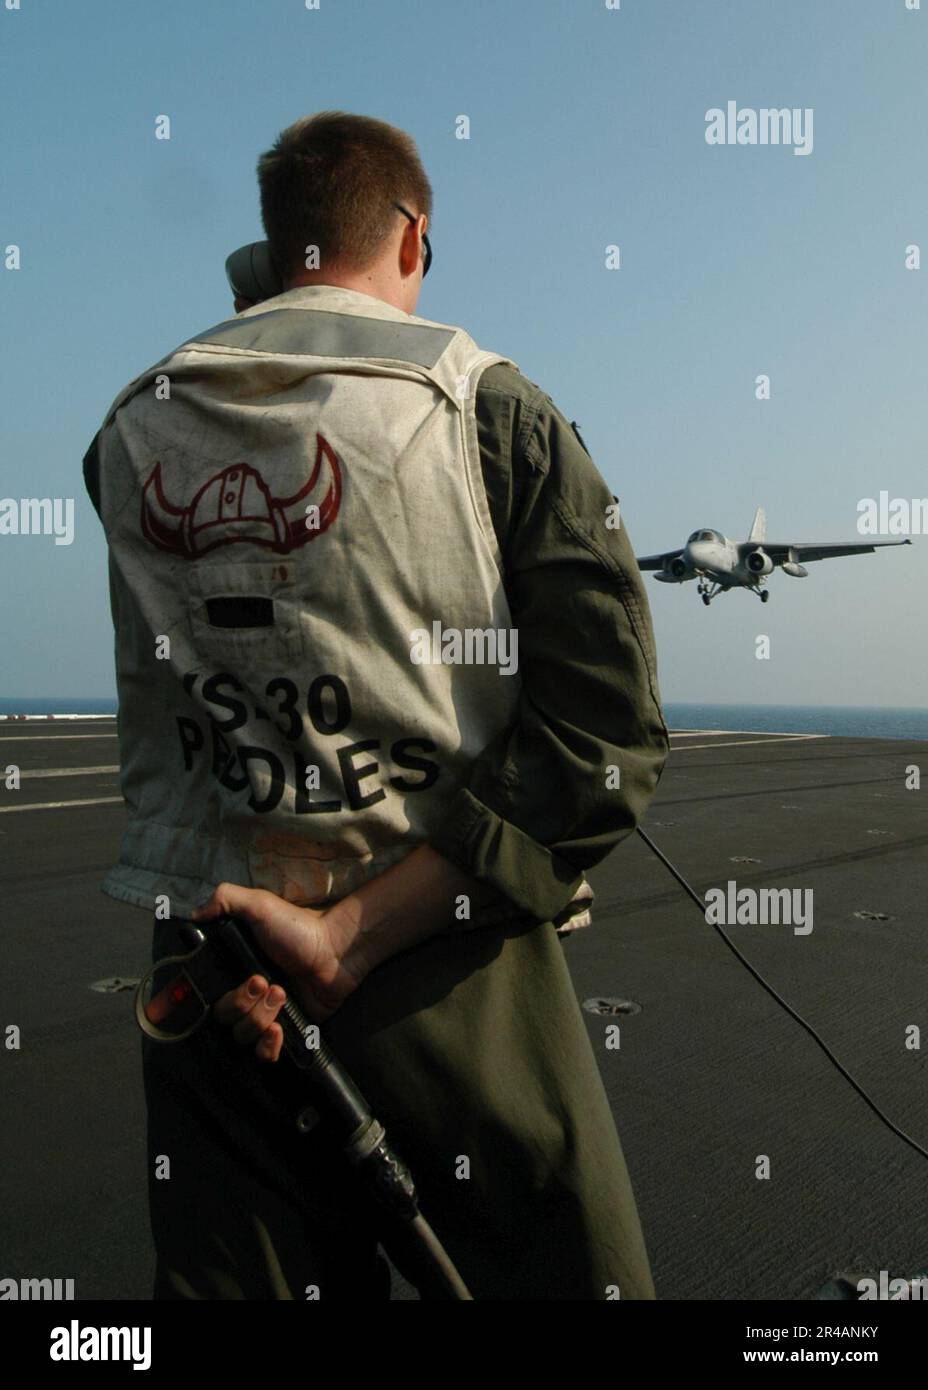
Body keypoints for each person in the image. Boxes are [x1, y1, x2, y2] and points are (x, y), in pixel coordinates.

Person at [82, 110, 670, 1301]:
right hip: (447, 968)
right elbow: (607, 738)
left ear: (275, 237)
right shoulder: (487, 407)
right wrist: (350, 935)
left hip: (213, 973)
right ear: (412, 237)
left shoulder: (127, 426)